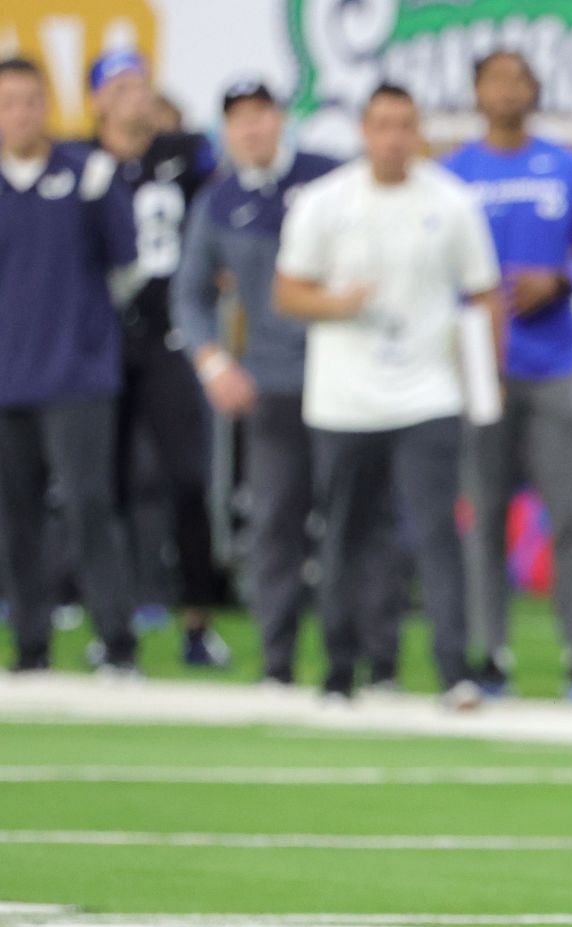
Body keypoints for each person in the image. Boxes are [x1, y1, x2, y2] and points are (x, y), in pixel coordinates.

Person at [274, 83, 503, 709]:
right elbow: (287, 290)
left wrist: (485, 386)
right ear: (364, 131)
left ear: (419, 130)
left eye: (405, 124)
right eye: (381, 125)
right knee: (345, 532)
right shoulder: (326, 203)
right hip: (344, 398)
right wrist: (335, 304)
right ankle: (342, 667)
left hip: (428, 393)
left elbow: (483, 294)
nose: (393, 137)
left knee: (434, 532)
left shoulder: (451, 203)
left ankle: (455, 668)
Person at [172, 79, 403, 688]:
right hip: (275, 384)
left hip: (349, 378)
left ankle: (376, 660)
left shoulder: (332, 181)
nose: (252, 129)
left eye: (261, 115)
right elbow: (190, 293)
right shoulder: (219, 203)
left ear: (281, 120)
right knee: (276, 520)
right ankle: (277, 661)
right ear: (226, 132)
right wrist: (214, 361)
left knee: (361, 519)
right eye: (239, 119)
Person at [445, 50, 572, 703]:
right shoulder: (454, 174)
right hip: (483, 369)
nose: (507, 90)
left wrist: (563, 278)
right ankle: (490, 653)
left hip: (556, 364)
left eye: (518, 79)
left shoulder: (568, 168)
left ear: (535, 90)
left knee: (569, 514)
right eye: (494, 78)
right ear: (476, 91)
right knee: (485, 514)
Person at [0, 56, 140, 675]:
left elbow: (128, 267)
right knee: (15, 516)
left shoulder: (88, 175)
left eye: (31, 100)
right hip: (7, 380)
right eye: (7, 103)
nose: (20, 114)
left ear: (48, 106)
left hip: (77, 377)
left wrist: (84, 334)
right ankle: (30, 648)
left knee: (89, 507)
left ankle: (117, 643)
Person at [88, 48, 228, 666]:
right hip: (100, 344)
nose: (131, 97)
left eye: (139, 85)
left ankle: (196, 622)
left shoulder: (186, 154)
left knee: (188, 481)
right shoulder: (81, 164)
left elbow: (222, 210)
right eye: (117, 86)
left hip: (172, 338)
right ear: (96, 99)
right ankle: (109, 623)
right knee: (102, 489)